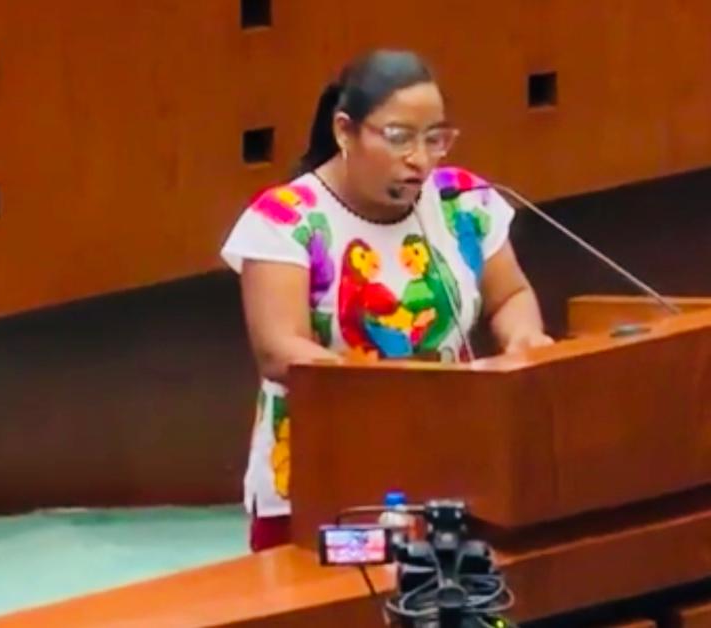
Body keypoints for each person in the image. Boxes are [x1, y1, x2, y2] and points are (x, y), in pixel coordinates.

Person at [220, 49, 553, 552]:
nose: (420, 158)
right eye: (399, 137)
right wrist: (395, 393)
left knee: (452, 590)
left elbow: (509, 295)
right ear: (344, 131)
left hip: (452, 469)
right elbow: (278, 349)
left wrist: (523, 339)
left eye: (435, 138)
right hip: (325, 483)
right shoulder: (289, 218)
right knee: (352, 596)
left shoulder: (463, 200)